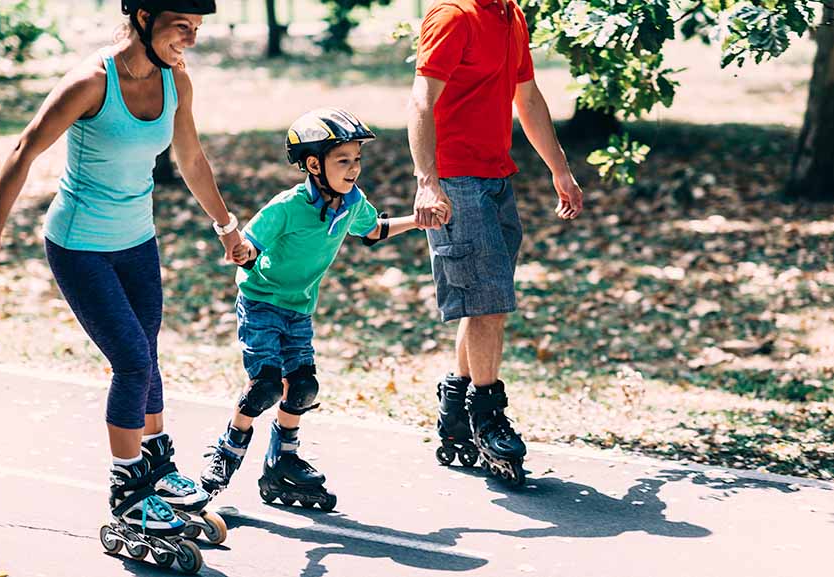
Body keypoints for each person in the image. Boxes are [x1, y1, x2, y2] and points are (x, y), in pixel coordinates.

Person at [0, 0, 236, 561]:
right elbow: (25, 148)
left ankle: (158, 462)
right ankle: (128, 486)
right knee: (132, 361)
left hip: (137, 240)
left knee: (148, 353)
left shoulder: (176, 80)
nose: (190, 38)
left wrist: (225, 225)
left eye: (196, 29)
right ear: (143, 16)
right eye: (180, 26)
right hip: (81, 245)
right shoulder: (91, 82)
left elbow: (190, 157)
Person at [200, 108, 444, 510]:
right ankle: (225, 455)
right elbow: (250, 248)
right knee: (264, 385)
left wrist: (418, 222)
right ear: (314, 164)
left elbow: (373, 230)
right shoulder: (286, 206)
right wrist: (240, 249)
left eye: (357, 160)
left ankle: (283, 461)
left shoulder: (352, 202)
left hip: (299, 309)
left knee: (302, 387)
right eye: (342, 161)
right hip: (262, 303)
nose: (353, 169)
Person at [407, 0, 584, 485]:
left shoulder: (511, 15)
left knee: (484, 302)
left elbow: (526, 98)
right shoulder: (453, 16)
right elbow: (421, 100)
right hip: (457, 183)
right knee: (488, 305)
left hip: (497, 180)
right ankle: (487, 414)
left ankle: (455, 405)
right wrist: (427, 180)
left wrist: (560, 170)